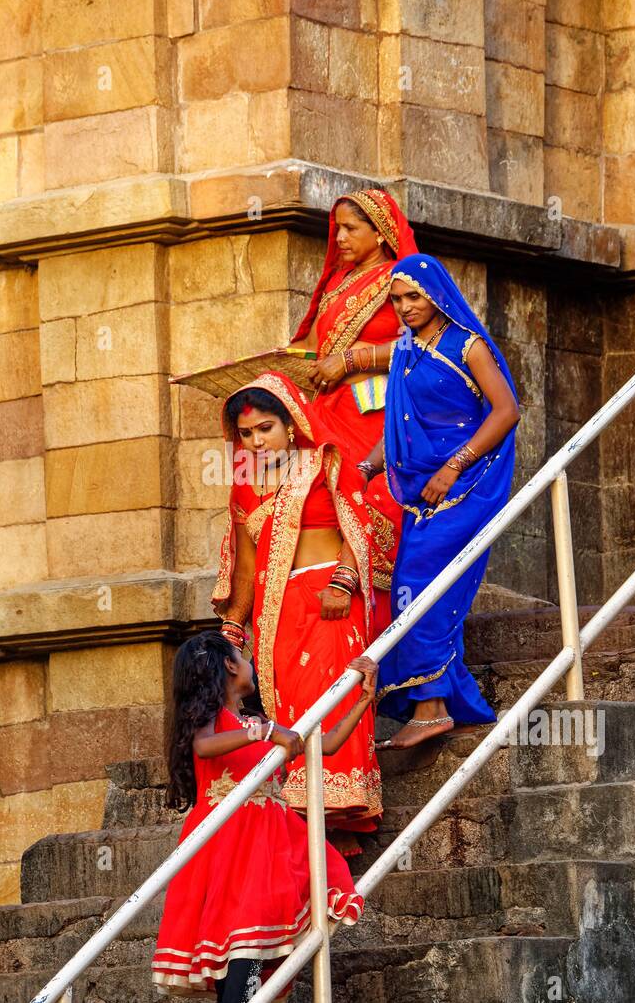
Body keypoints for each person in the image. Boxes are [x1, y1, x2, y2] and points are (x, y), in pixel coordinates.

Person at [151, 630, 374, 1003]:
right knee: (240, 955)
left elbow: (326, 743)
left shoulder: (255, 721)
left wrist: (362, 696)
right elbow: (205, 747)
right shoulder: (218, 721)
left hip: (270, 847)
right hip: (229, 847)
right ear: (229, 668)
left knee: (247, 957)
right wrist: (265, 732)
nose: (251, 663)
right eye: (243, 656)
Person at [211, 370, 381, 855]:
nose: (257, 441)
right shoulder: (244, 490)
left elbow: (358, 525)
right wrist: (232, 631)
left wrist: (343, 581)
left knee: (334, 696)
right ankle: (307, 815)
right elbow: (245, 571)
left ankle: (343, 813)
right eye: (246, 433)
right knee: (294, 709)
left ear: (290, 425)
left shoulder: (324, 464)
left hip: (331, 602)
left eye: (266, 428)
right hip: (277, 615)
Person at [359, 253, 521, 756]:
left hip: (469, 482)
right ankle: (444, 703)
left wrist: (454, 465)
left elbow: (507, 411)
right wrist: (365, 468)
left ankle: (431, 709)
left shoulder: (466, 345)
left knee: (419, 583)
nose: (405, 307)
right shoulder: (407, 350)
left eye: (414, 296)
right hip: (422, 489)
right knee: (415, 585)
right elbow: (399, 425)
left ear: (437, 294)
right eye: (397, 299)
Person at [290, 188, 418, 633]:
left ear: (381, 233)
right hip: (327, 412)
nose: (339, 238)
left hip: (373, 416)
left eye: (350, 228)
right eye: (337, 228)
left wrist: (355, 359)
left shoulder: (400, 280)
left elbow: (420, 346)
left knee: (366, 499)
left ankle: (376, 622)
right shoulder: (335, 286)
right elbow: (309, 349)